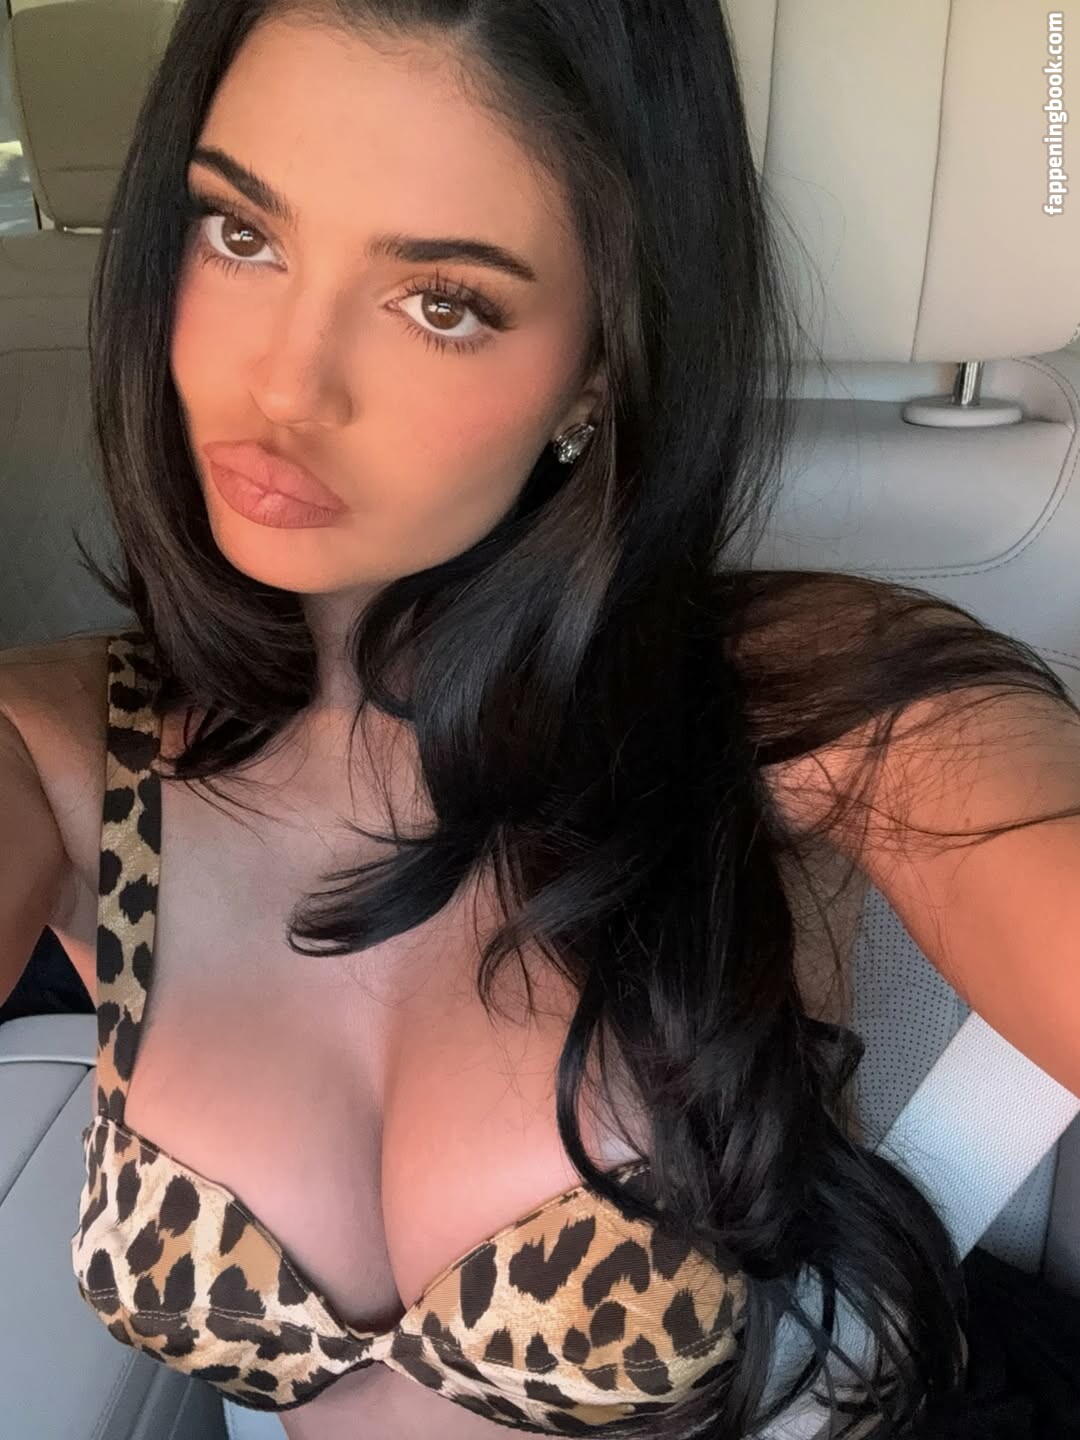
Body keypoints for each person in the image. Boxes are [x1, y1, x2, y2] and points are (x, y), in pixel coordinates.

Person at [7, 1, 1079, 1437]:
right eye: (241, 234)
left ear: (597, 366)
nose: (284, 385)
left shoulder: (801, 696)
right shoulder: (61, 746)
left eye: (443, 301)